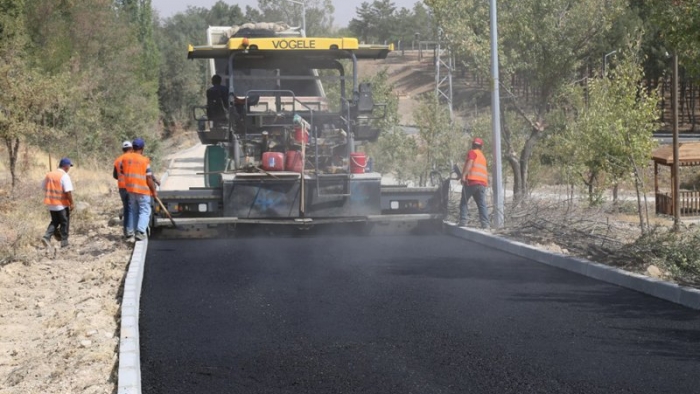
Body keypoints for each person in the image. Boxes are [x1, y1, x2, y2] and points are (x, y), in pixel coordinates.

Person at [121, 138, 157, 241]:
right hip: (142, 190)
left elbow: (123, 171)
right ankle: (141, 231)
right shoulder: (144, 160)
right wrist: (153, 191)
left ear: (133, 147)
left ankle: (137, 230)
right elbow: (149, 177)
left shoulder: (125, 159)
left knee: (135, 210)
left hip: (130, 189)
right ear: (142, 148)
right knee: (145, 211)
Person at [41, 158, 75, 248]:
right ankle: (64, 242)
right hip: (61, 204)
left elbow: (43, 187)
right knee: (65, 222)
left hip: (51, 203)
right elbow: (68, 191)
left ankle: (47, 236)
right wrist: (71, 203)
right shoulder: (64, 176)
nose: (69, 168)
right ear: (66, 166)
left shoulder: (49, 174)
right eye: (69, 166)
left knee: (55, 221)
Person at [458, 137, 490, 229]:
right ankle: (485, 224)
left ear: (473, 144)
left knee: (464, 201)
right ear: (481, 146)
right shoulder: (482, 156)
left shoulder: (472, 152)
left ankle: (463, 221)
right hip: (482, 183)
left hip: (471, 181)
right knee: (481, 203)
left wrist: (464, 175)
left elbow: (470, 163)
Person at [113, 140, 133, 238]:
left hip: (121, 188)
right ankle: (129, 231)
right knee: (130, 209)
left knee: (126, 208)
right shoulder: (132, 158)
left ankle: (126, 230)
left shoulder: (117, 160)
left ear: (122, 149)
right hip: (130, 187)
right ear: (131, 148)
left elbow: (115, 175)